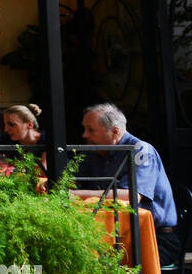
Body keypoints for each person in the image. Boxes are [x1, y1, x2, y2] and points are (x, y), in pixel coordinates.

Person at [74, 102, 180, 263]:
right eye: (85, 129)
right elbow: (74, 180)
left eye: (91, 130)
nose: (84, 135)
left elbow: (130, 197)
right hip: (114, 233)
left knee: (95, 262)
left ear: (115, 132)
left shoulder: (141, 151)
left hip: (154, 238)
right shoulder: (95, 151)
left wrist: (75, 194)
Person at [0, 103, 46, 171]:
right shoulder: (8, 137)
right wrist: (3, 161)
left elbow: (43, 169)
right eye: (5, 124)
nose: (6, 129)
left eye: (12, 125)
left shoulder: (45, 139)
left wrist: (15, 168)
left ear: (30, 125)